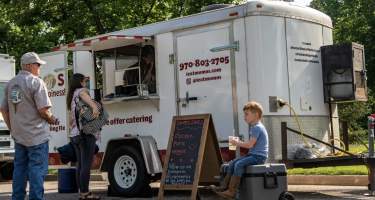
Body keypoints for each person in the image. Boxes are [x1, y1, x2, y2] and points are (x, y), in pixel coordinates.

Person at [0, 52, 58, 200]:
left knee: (19, 169)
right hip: (37, 135)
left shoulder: (11, 84)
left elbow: (3, 109)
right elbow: (43, 110)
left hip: (19, 136)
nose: (39, 68)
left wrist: (12, 128)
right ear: (30, 65)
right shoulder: (36, 82)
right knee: (37, 170)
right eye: (38, 64)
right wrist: (52, 120)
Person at [216, 101, 269, 199]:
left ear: (256, 114)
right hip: (253, 155)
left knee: (238, 164)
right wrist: (239, 142)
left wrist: (237, 143)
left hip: (259, 157)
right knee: (232, 163)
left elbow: (249, 145)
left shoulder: (257, 128)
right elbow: (252, 145)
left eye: (247, 114)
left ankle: (232, 191)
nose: (244, 117)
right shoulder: (255, 127)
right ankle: (224, 187)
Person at [67, 73, 100, 200]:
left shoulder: (71, 96)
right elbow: (86, 98)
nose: (86, 83)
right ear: (80, 82)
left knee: (80, 165)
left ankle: (82, 193)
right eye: (84, 81)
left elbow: (71, 120)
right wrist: (94, 107)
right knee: (86, 165)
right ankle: (85, 193)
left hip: (75, 135)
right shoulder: (81, 91)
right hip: (86, 134)